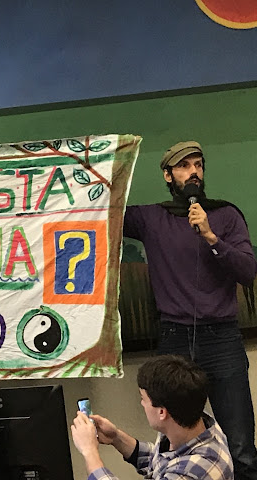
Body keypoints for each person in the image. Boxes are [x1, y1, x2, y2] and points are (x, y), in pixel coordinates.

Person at [123, 140, 257, 479]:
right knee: (174, 440)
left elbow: (247, 272)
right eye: (184, 166)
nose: (193, 171)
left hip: (222, 338)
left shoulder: (225, 215)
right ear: (168, 175)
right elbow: (102, 212)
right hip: (174, 339)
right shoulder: (152, 217)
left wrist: (212, 237)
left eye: (198, 165)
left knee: (241, 446)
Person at [71, 355, 233, 480]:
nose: (141, 404)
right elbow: (160, 463)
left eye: (143, 399)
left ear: (162, 412)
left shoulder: (193, 471)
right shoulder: (194, 422)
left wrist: (89, 451)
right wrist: (116, 438)